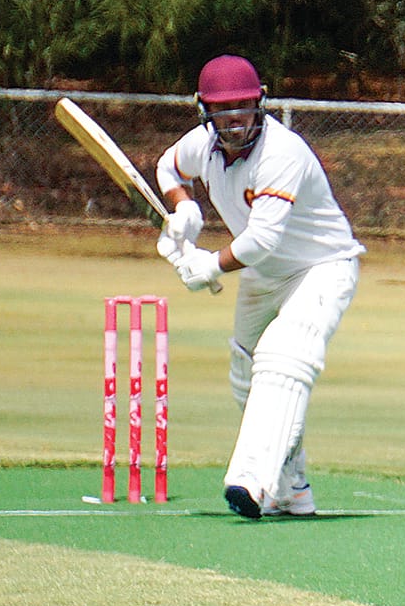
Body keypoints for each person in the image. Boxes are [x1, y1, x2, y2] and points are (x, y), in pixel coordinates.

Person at [153, 54, 364, 519]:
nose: (235, 120)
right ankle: (293, 489)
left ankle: (252, 482)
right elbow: (168, 168)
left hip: (321, 267)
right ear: (204, 109)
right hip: (265, 275)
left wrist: (210, 266)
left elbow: (262, 239)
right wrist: (185, 207)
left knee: (284, 359)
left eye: (243, 108)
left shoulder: (281, 153)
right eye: (223, 110)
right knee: (247, 375)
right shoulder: (202, 145)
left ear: (259, 104)